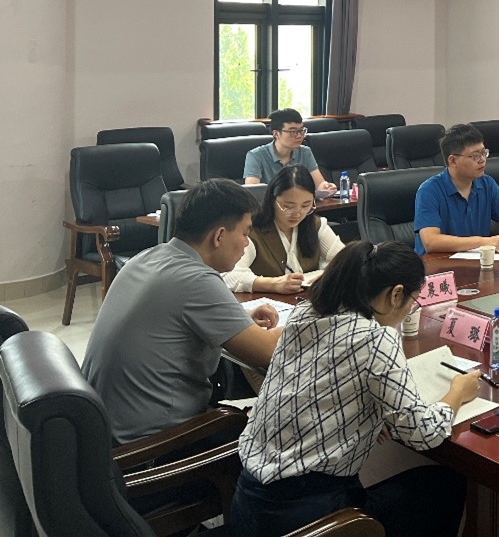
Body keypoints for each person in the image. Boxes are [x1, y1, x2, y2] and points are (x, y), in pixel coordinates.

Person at [230, 241, 480, 537]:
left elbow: (323, 386)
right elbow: (422, 432)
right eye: (413, 300)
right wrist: (457, 392)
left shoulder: (305, 314)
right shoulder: (375, 339)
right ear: (396, 294)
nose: (411, 308)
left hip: (247, 504)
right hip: (309, 518)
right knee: (446, 483)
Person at [82, 179, 283, 445]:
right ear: (219, 236)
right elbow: (270, 352)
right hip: (155, 445)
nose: (247, 243)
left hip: (107, 429)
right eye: (245, 233)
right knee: (278, 434)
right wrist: (304, 319)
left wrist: (240, 319)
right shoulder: (197, 280)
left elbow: (171, 319)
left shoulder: (147, 257)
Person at [414, 123, 499, 255]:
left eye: (484, 153)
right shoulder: (429, 191)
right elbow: (431, 242)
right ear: (453, 161)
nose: (482, 160)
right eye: (475, 156)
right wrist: (483, 242)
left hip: (478, 262)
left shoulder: (487, 184)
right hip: (438, 264)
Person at [224, 165, 345, 294]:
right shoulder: (252, 231)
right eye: (288, 206)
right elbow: (228, 275)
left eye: (306, 205)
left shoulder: (316, 225)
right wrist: (272, 284)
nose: (297, 213)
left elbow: (347, 261)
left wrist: (325, 277)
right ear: (272, 200)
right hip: (267, 303)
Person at [244, 108, 334, 193]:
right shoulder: (255, 156)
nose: (299, 136)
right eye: (293, 131)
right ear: (276, 134)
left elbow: (320, 184)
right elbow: (253, 192)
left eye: (301, 130)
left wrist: (326, 187)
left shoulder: (305, 152)